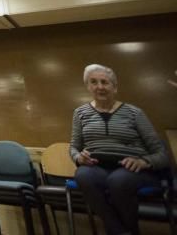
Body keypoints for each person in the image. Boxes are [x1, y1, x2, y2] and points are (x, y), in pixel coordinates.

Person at [71, 64, 168, 235]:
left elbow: (160, 153)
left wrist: (143, 162)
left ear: (115, 87)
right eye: (93, 82)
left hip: (133, 170)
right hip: (97, 168)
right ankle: (122, 232)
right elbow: (74, 147)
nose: (99, 87)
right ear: (88, 87)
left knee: (118, 181)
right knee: (82, 175)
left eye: (105, 82)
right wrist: (79, 157)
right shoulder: (80, 113)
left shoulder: (134, 113)